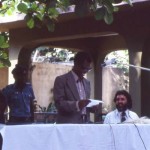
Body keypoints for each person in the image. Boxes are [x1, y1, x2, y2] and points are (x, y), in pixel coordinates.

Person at [53, 51, 93, 123]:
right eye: (84, 68)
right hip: (68, 125)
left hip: (85, 124)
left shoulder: (87, 83)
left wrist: (91, 107)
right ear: (76, 64)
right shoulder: (61, 80)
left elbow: (84, 107)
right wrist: (77, 104)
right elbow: (59, 103)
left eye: (88, 69)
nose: (86, 71)